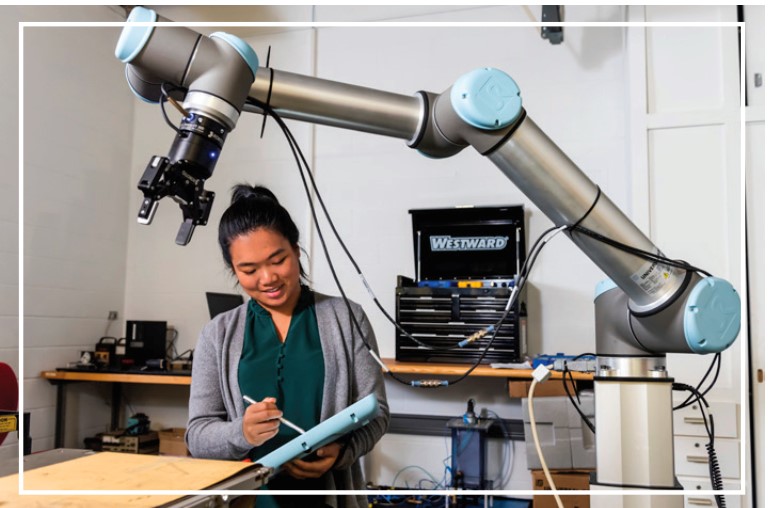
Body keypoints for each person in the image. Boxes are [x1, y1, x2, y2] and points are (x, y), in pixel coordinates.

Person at [186, 184, 390, 508]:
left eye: (277, 260)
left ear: (296, 250)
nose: (267, 278)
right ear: (234, 270)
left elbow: (377, 414)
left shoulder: (347, 317)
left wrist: (341, 453)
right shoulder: (217, 334)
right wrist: (243, 433)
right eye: (249, 270)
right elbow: (197, 436)